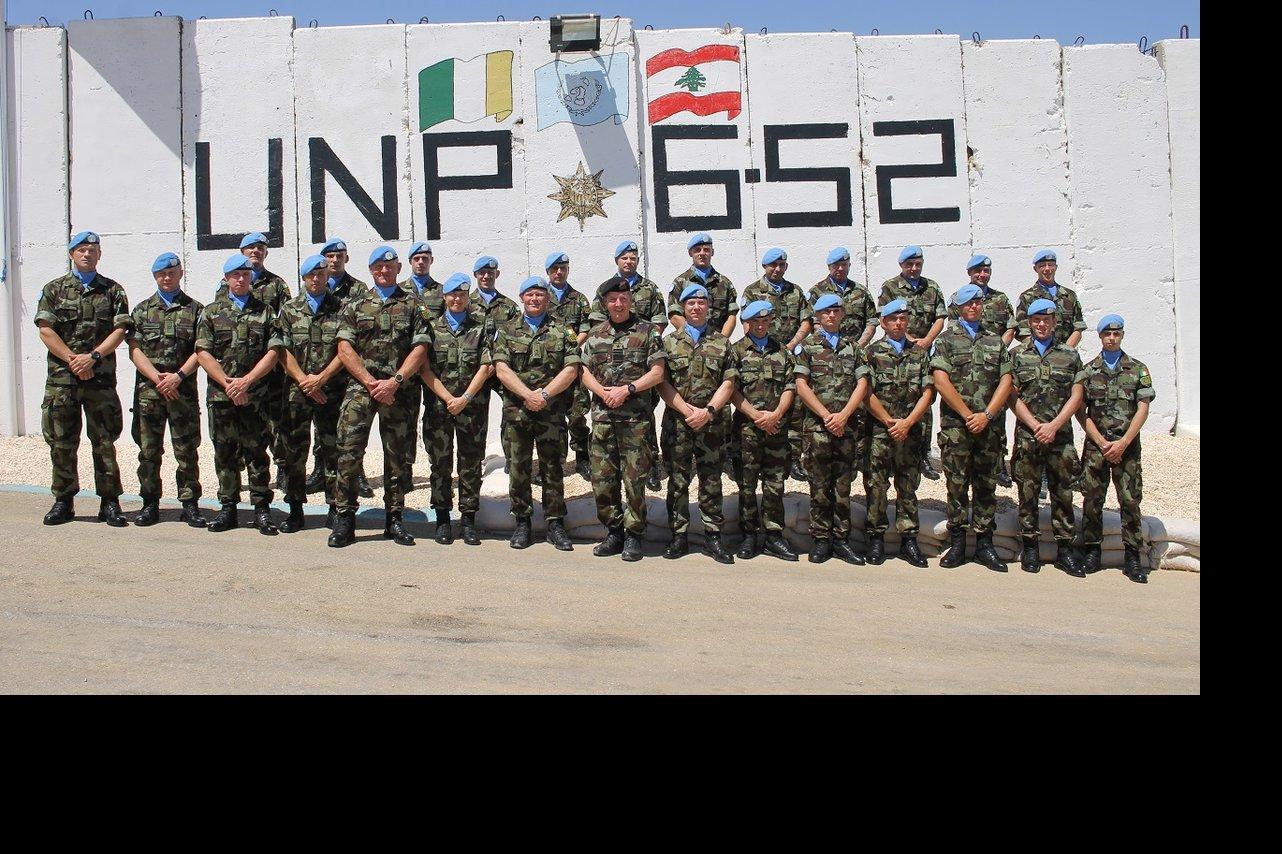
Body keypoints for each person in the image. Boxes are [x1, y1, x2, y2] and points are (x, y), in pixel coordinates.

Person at [328, 246, 430, 548]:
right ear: (371, 270)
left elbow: (421, 348)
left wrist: (394, 382)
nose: (384, 271)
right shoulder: (356, 305)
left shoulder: (413, 304)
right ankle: (345, 518)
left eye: (389, 266)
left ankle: (394, 518)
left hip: (399, 391)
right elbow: (344, 348)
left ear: (398, 268)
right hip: (362, 389)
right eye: (378, 267)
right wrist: (371, 382)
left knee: (397, 456)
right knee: (349, 452)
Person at [35, 231, 132, 527]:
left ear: (99, 255)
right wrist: (73, 360)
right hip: (62, 380)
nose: (87, 254)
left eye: (92, 250)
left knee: (104, 441)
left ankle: (110, 502)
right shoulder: (54, 289)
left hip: (99, 379)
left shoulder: (113, 290)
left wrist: (93, 357)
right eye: (81, 250)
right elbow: (46, 330)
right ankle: (63, 501)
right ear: (71, 254)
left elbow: (120, 331)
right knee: (62, 441)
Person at [194, 254, 284, 535]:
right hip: (221, 397)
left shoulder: (265, 312)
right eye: (235, 275)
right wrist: (228, 384)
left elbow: (274, 352)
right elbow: (203, 352)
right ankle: (228, 508)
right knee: (225, 453)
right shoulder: (211, 312)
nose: (241, 279)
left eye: (245, 274)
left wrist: (246, 382)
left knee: (257, 452)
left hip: (256, 396)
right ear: (226, 279)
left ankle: (261, 509)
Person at [491, 276, 581, 551]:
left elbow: (571, 369)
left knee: (552, 468)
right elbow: (501, 368)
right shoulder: (507, 330)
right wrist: (527, 395)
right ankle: (522, 522)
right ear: (521, 298)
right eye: (529, 294)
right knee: (518, 468)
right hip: (517, 412)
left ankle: (555, 523)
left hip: (550, 412)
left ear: (548, 298)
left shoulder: (562, 330)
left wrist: (544, 395)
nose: (535, 299)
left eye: (540, 294)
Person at [580, 278, 666, 561]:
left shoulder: (647, 332)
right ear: (605, 303)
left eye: (623, 299)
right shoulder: (595, 334)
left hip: (635, 421)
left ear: (631, 300)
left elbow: (657, 372)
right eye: (613, 300)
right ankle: (614, 532)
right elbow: (582, 370)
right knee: (603, 479)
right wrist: (601, 391)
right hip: (603, 418)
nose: (618, 304)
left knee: (634, 480)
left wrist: (627, 389)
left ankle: (634, 535)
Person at [931, 285, 1013, 571]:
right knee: (956, 484)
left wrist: (987, 415)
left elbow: (1006, 380)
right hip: (957, 426)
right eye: (968, 303)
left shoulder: (995, 341)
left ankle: (984, 544)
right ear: (959, 308)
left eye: (978, 302)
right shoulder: (946, 341)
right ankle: (958, 542)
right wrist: (968, 415)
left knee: (986, 484)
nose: (974, 307)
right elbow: (940, 380)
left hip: (989, 427)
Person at [657, 284, 738, 564]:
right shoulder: (668, 343)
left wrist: (708, 411)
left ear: (708, 307)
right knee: (677, 480)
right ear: (683, 308)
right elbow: (662, 382)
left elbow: (729, 383)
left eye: (701, 303)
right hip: (678, 423)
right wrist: (687, 410)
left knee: (711, 479)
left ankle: (713, 536)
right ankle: (678, 535)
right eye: (690, 303)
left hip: (712, 425)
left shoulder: (722, 343)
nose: (696, 307)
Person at [125, 251, 206, 528]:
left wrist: (178, 377)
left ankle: (190, 504)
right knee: (148, 451)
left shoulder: (196, 310)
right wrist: (159, 379)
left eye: (171, 273)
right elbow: (135, 350)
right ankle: (150, 503)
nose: (167, 278)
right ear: (155, 277)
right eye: (161, 274)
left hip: (182, 391)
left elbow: (201, 350)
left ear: (180, 273)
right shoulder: (141, 310)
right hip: (150, 393)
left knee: (187, 450)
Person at [1009, 298, 1086, 576]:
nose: (1041, 324)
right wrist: (1034, 425)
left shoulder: (1070, 355)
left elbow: (1077, 394)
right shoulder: (1017, 355)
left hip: (1060, 436)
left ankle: (1065, 549)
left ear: (1055, 322)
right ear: (1029, 323)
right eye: (1036, 320)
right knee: (1027, 491)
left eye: (1046, 320)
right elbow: (1011, 395)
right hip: (1028, 435)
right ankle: (1030, 548)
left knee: (1063, 492)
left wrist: (1054, 425)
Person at [1077, 314, 1155, 582]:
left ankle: (1132, 557)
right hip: (1096, 447)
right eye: (1107, 334)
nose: (1112, 338)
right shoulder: (1088, 371)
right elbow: (1081, 411)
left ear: (1122, 336)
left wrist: (1123, 443)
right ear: (1100, 336)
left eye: (1116, 334)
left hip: (1127, 447)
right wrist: (1101, 442)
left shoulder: (1137, 369)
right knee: (1092, 500)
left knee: (1130, 501)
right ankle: (1092, 551)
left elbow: (1142, 409)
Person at [794, 293, 870, 565]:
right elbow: (801, 385)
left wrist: (844, 415)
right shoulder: (807, 347)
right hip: (818, 428)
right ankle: (821, 539)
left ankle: (841, 539)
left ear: (842, 314)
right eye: (826, 312)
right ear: (818, 316)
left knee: (843, 486)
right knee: (819, 485)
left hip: (846, 428)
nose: (831, 315)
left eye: (836, 311)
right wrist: (827, 416)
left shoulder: (854, 348)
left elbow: (862, 384)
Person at [420, 273, 493, 546]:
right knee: (440, 464)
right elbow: (424, 369)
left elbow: (486, 367)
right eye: (452, 295)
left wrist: (465, 398)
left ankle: (468, 521)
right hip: (439, 409)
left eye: (462, 295)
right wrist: (448, 398)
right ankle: (442, 519)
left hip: (471, 409)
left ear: (467, 298)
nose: (457, 299)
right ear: (445, 297)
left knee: (470, 464)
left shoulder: (480, 329)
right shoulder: (431, 328)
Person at [276, 254, 347, 532]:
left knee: (333, 449)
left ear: (328, 276)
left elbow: (345, 350)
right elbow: (282, 351)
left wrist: (321, 379)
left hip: (331, 390)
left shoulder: (341, 308)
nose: (316, 279)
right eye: (311, 275)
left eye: (321, 274)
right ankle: (295, 509)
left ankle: (334, 507)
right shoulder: (290, 309)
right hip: (298, 392)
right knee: (294, 450)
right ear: (304, 278)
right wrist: (305, 381)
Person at [590, 240, 668, 490]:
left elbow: (659, 321)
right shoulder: (604, 289)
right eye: (624, 257)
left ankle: (650, 465)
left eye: (633, 257)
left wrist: (641, 340)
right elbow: (596, 322)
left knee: (645, 418)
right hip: (609, 355)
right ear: (617, 261)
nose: (629, 261)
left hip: (640, 358)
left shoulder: (650, 288)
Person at [862, 299, 935, 566]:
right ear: (883, 323)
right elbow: (866, 392)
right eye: (893, 319)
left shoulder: (919, 354)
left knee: (908, 485)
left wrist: (908, 422)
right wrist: (889, 421)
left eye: (903, 318)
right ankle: (876, 538)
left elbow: (928, 392)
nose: (898, 323)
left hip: (910, 431)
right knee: (877, 485)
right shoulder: (871, 353)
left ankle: (909, 539)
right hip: (880, 430)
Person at [301, 237, 372, 497]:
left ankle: (357, 473)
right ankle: (320, 471)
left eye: (339, 256)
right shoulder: (312, 285)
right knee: (320, 427)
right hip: (313, 373)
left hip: (344, 374)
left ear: (346, 258)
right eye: (329, 256)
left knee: (349, 427)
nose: (334, 260)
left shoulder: (358, 289)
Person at [730, 300, 798, 561]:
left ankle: (773, 535)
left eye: (765, 321)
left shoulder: (782, 352)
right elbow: (732, 389)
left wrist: (776, 415)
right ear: (746, 323)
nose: (760, 326)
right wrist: (755, 415)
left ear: (770, 321)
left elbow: (790, 387)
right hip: (747, 429)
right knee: (746, 484)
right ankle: (748, 534)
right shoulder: (736, 351)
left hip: (776, 429)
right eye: (755, 321)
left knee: (775, 483)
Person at [669, 232, 739, 480]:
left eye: (706, 249)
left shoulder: (724, 282)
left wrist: (717, 341)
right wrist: (691, 338)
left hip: (715, 348)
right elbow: (674, 314)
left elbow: (732, 315)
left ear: (712, 252)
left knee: (721, 406)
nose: (702, 253)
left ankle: (725, 457)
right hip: (688, 344)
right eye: (697, 249)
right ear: (691, 253)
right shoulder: (680, 281)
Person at [739, 248, 811, 482]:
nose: (777, 269)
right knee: (760, 397)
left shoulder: (795, 291)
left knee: (795, 405)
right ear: (765, 267)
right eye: (773, 265)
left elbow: (806, 321)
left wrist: (790, 345)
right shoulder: (752, 291)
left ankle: (793, 456)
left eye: (781, 265)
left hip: (788, 353)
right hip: (761, 353)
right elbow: (747, 323)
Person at [878, 245, 946, 480]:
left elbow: (940, 318)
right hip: (898, 348)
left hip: (923, 351)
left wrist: (926, 341)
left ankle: (923, 454)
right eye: (910, 264)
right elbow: (885, 318)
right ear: (901, 265)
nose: (914, 268)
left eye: (918, 264)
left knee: (925, 400)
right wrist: (908, 339)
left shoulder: (932, 287)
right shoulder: (890, 287)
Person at [951, 254, 1016, 487]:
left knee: (997, 417)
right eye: (977, 271)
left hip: (992, 363)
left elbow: (1011, 328)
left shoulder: (1000, 299)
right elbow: (953, 328)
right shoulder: (958, 297)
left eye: (986, 271)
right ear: (969, 273)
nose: (982, 274)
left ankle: (999, 466)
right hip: (966, 362)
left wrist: (994, 349)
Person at [543, 251, 594, 478]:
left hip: (574, 364)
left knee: (577, 414)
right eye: (555, 269)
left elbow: (586, 327)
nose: (559, 272)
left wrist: (571, 345)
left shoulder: (579, 298)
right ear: (548, 272)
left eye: (563, 268)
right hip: (550, 366)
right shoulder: (541, 296)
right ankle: (557, 461)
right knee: (553, 416)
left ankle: (583, 459)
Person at [398, 240, 443, 496]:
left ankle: (437, 466)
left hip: (435, 366)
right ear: (410, 262)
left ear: (431, 261)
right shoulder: (400, 291)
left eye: (425, 258)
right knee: (406, 418)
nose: (421, 262)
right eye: (417, 258)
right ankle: (405, 470)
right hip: (409, 365)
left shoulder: (442, 292)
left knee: (434, 416)